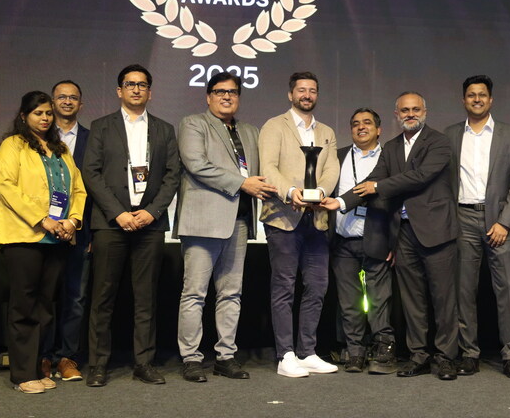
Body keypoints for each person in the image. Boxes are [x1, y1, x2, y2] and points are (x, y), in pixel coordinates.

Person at [340, 92, 460, 380]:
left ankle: (445, 358)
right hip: (404, 233)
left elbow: (419, 176)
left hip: (436, 231)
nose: (410, 114)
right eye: (404, 110)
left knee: (443, 299)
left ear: (425, 112)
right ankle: (419, 356)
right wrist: (341, 202)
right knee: (412, 300)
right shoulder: (392, 147)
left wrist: (378, 187)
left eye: (415, 109)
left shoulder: (440, 142)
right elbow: (372, 180)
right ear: (396, 115)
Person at [83, 65, 180, 387]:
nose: (136, 89)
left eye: (142, 85)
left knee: (146, 298)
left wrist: (152, 212)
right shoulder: (101, 126)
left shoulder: (165, 129)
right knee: (103, 297)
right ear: (119, 90)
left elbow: (172, 175)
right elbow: (91, 173)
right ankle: (98, 365)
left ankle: (144, 363)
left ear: (150, 92)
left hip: (149, 224)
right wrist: (117, 213)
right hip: (111, 224)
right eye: (130, 84)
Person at [174, 72, 273, 383]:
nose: (226, 96)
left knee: (231, 293)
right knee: (195, 294)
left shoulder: (250, 131)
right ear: (208, 96)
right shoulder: (193, 124)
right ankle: (191, 358)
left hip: (239, 221)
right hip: (202, 222)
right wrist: (242, 183)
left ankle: (225, 356)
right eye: (219, 91)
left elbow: (263, 171)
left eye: (232, 92)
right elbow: (196, 164)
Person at [0, 91, 87, 393]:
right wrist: (41, 219)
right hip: (23, 236)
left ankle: (36, 368)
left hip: (57, 238)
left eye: (48, 113)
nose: (45, 118)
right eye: (38, 113)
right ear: (24, 116)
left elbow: (78, 189)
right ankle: (22, 376)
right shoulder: (13, 145)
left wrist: (73, 221)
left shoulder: (60, 149)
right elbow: (7, 186)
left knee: (45, 307)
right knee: (24, 307)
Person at [258, 71, 339, 378]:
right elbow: (268, 167)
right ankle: (285, 355)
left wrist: (322, 193)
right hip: (283, 217)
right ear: (290, 94)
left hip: (316, 219)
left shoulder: (327, 132)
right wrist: (290, 191)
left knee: (317, 287)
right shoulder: (274, 126)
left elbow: (331, 170)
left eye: (312, 90)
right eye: (301, 90)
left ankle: (306, 352)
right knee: (284, 287)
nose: (307, 95)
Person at [444, 76, 510, 379]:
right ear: (463, 100)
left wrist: (505, 222)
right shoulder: (451, 134)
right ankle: (469, 353)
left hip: (499, 220)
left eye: (482, 95)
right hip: (463, 218)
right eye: (471, 95)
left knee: (508, 290)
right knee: (464, 290)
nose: (476, 99)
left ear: (491, 100)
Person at [323, 108, 396, 374]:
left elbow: (397, 202)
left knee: (379, 301)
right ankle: (354, 351)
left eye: (367, 123)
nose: (361, 127)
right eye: (355, 124)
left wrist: (395, 242)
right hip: (343, 240)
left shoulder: (390, 158)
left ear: (379, 130)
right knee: (349, 301)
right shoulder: (337, 156)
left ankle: (383, 350)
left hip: (377, 239)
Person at [39, 80, 90, 382]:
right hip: (42, 230)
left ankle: (67, 357)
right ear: (52, 102)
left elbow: (93, 188)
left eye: (73, 97)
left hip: (79, 230)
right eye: (61, 97)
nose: (67, 101)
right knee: (45, 297)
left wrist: (80, 226)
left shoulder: (92, 138)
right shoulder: (37, 138)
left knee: (76, 297)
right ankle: (43, 356)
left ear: (81, 104)